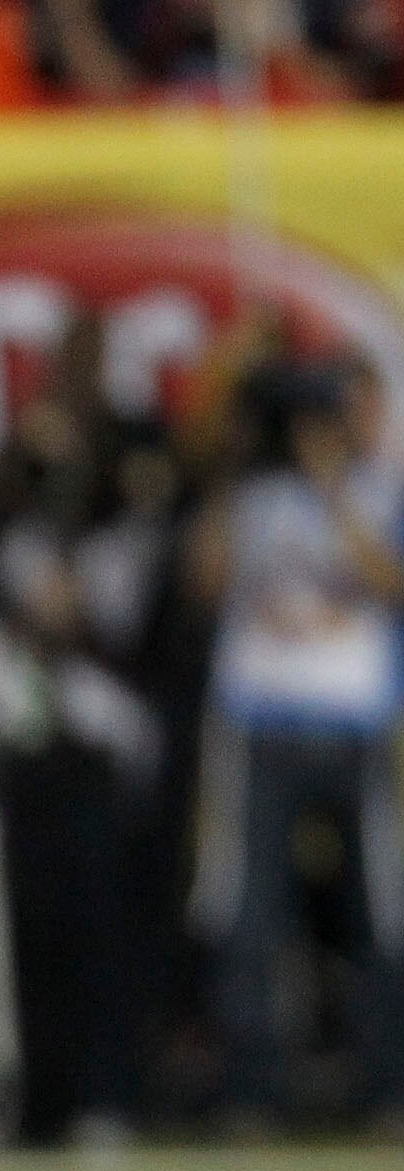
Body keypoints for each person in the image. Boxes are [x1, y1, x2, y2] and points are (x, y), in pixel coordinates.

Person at [188, 361, 404, 1127]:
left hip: (358, 722)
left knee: (381, 911)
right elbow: (206, 583)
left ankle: (388, 1088)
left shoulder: (381, 492)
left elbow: (390, 582)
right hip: (261, 721)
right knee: (249, 914)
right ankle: (252, 1092)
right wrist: (231, 464)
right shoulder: (253, 499)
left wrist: (332, 489)